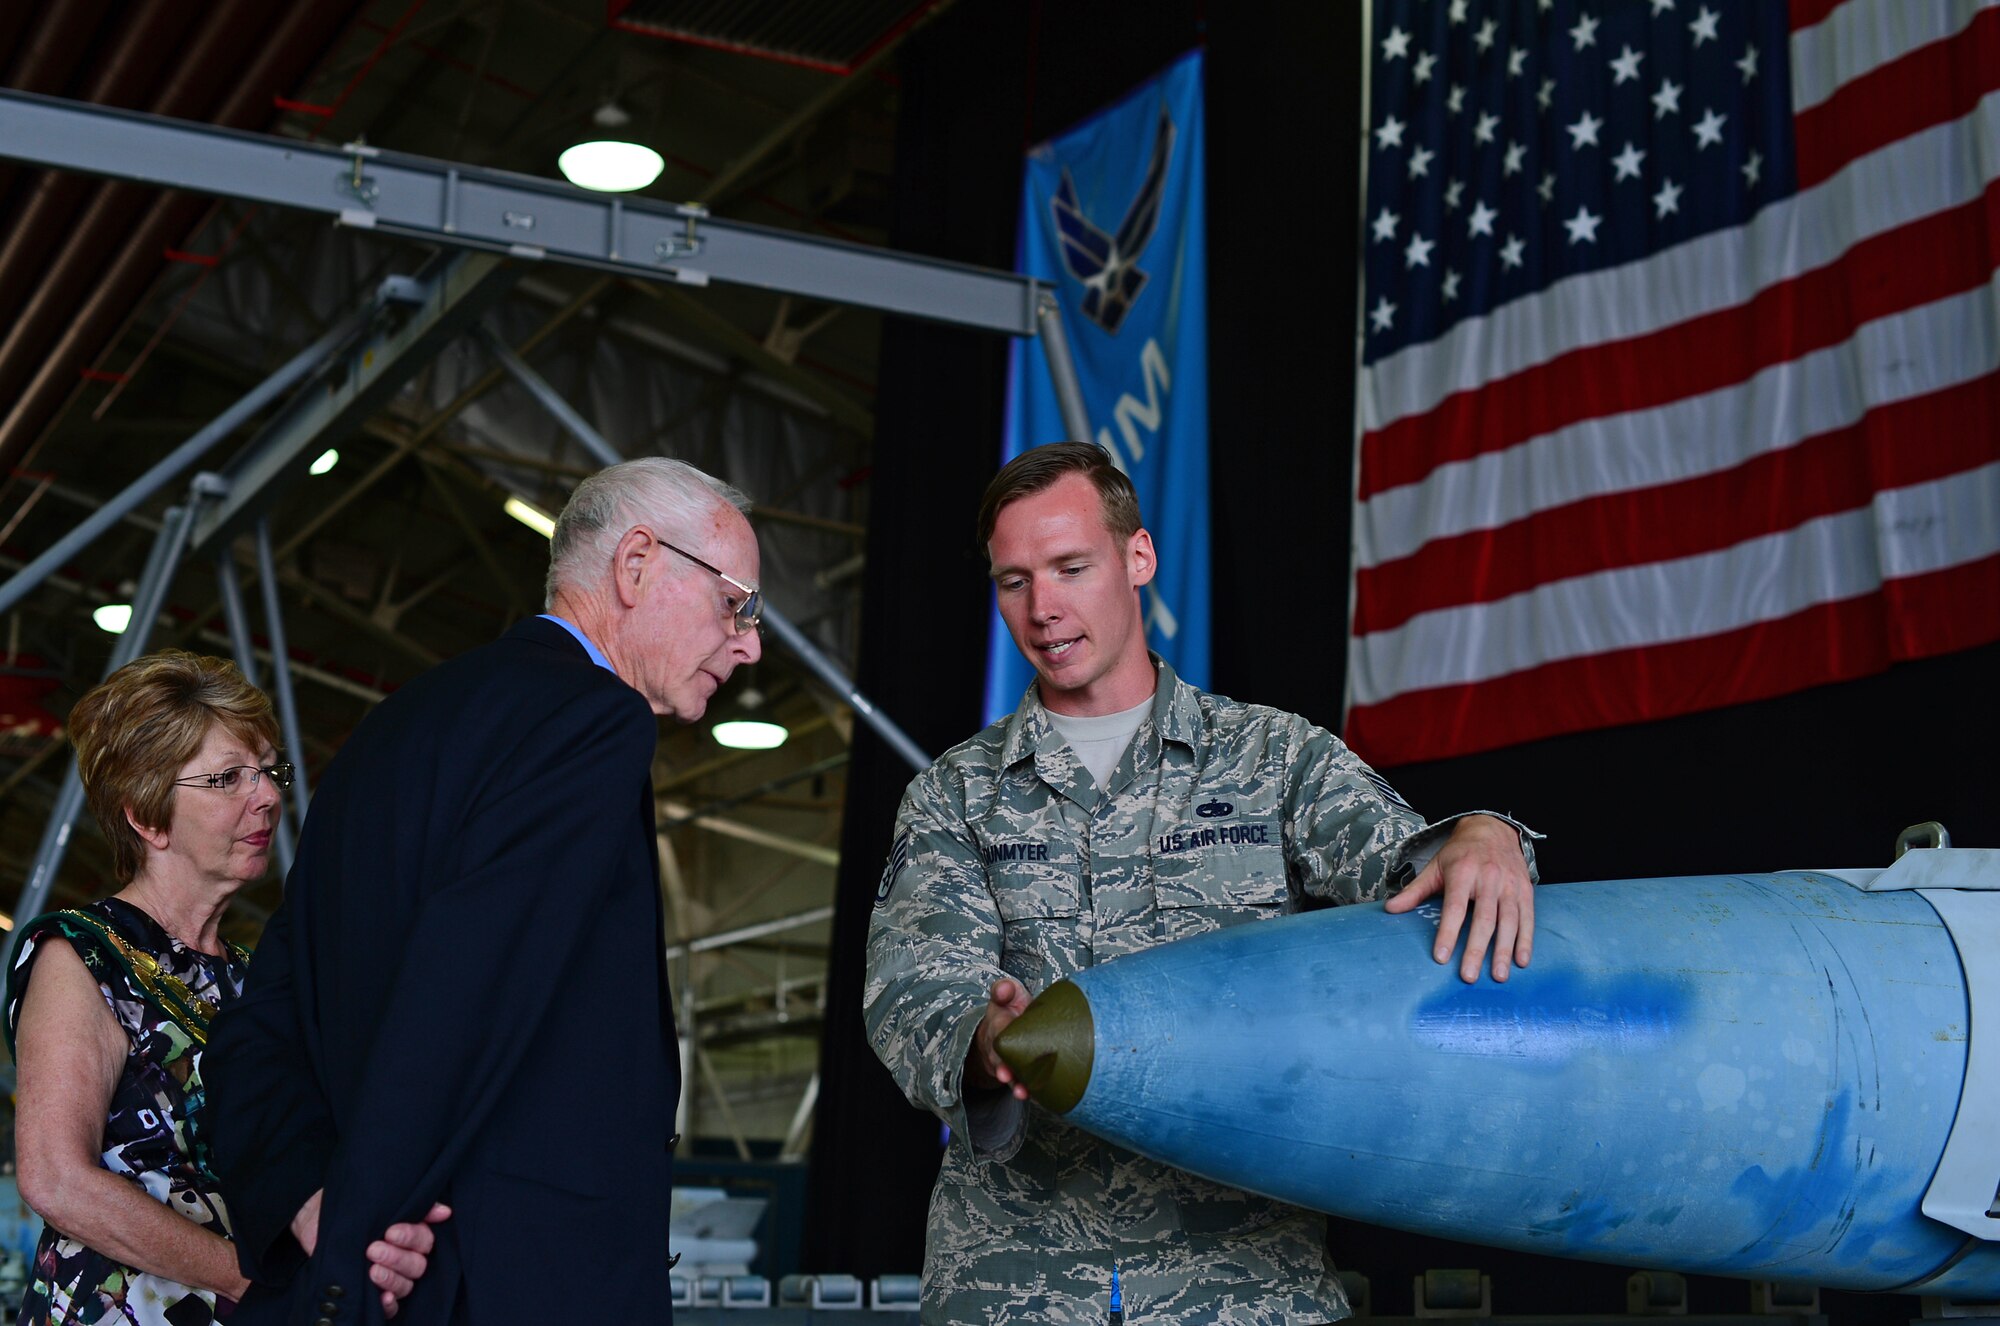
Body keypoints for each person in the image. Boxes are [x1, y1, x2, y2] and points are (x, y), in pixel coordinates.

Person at [865, 442, 1544, 1325]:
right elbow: (911, 994)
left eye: (1071, 567)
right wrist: (983, 1039)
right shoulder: (955, 794)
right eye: (1014, 581)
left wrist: (1485, 832)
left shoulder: (1274, 758)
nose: (1043, 608)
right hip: (1017, 1286)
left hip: (1245, 1284)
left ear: (1138, 557)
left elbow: (1415, 874)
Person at [204, 457, 763, 1325]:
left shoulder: (388, 730)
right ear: (636, 564)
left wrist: (312, 1203)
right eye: (735, 604)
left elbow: (262, 1021)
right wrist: (362, 1228)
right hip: (506, 1285)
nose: (749, 644)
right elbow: (462, 995)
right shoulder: (596, 721)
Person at [6, 651, 433, 1325]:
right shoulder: (82, 956)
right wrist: (254, 1285)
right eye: (229, 777)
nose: (267, 796)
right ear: (148, 818)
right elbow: (57, 1179)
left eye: (268, 771)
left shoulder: (254, 978)